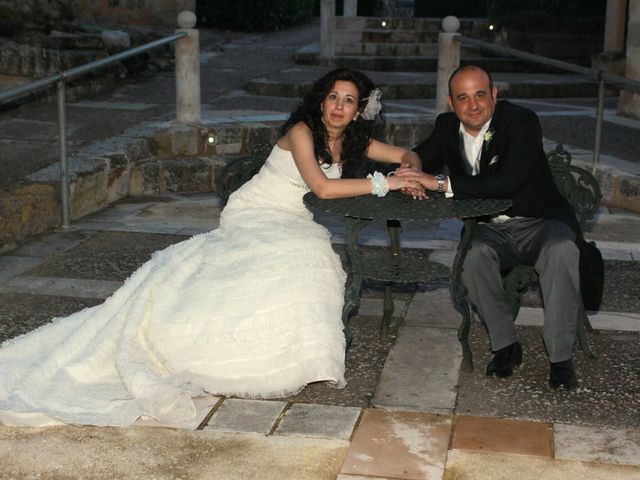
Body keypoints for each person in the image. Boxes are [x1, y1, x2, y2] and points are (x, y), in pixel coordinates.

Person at [0, 68, 422, 427]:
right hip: (256, 211)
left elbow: (406, 152)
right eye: (333, 96)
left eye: (349, 100)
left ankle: (295, 358)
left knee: (311, 256)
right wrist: (388, 182)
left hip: (292, 217)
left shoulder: (352, 140)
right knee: (302, 257)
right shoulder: (301, 132)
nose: (339, 106)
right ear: (321, 100)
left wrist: (411, 169)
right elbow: (324, 188)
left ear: (359, 109)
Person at [396, 65, 598, 390]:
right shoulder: (447, 126)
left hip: (540, 222)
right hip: (490, 229)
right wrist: (410, 175)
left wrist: (438, 182)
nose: (473, 105)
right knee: (472, 259)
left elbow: (506, 183)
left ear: (494, 94)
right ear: (451, 102)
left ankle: (560, 359)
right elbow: (419, 155)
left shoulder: (520, 122)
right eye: (463, 97)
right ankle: (506, 345)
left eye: (480, 94)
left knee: (562, 250)